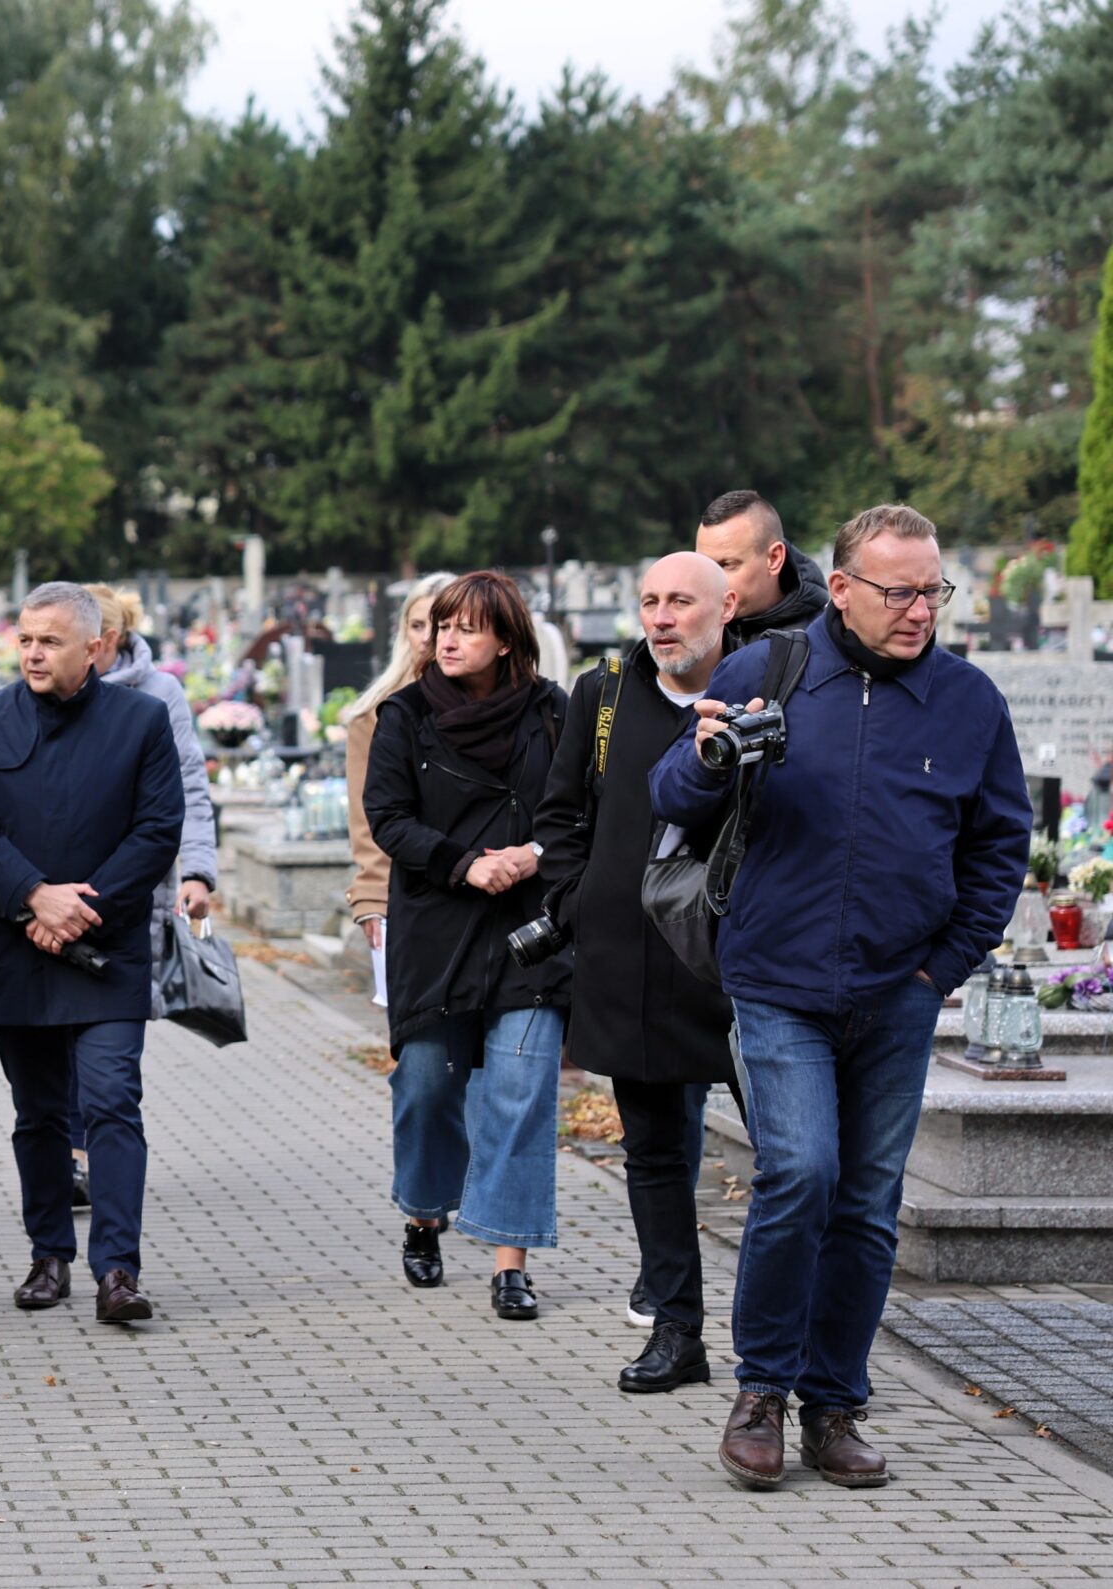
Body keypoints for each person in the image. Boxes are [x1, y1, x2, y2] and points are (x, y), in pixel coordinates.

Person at [653, 504, 1027, 1490]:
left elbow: (1000, 846)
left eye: (932, 591)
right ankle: (760, 1390)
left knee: (866, 1202)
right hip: (777, 979)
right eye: (899, 591)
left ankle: (832, 1404)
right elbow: (672, 798)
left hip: (898, 990)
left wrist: (941, 966)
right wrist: (701, 754)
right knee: (802, 1172)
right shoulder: (765, 668)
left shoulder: (968, 700)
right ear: (846, 588)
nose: (920, 610)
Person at [0, 582, 184, 1324]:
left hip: (108, 946)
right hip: (17, 946)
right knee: (39, 1112)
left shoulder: (140, 720)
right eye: (24, 639)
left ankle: (118, 1270)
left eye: (50, 640)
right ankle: (49, 1255)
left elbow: (157, 828)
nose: (33, 653)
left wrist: (81, 909)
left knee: (111, 1099)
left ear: (95, 647)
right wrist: (33, 897)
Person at [533, 553, 742, 1392]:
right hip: (633, 958)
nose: (662, 617)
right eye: (650, 600)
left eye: (681, 601)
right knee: (653, 1153)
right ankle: (677, 1329)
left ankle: (797, 1340)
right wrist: (578, 901)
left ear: (726, 608)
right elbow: (560, 812)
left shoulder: (769, 691)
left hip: (743, 964)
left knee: (793, 1160)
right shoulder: (606, 694)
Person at [363, 570, 570, 1320]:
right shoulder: (405, 713)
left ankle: (510, 1261)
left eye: (466, 628)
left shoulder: (553, 711)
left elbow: (582, 808)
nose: (445, 639)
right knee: (426, 1085)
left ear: (507, 640)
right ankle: (424, 1214)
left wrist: (533, 854)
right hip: (437, 929)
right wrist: (465, 863)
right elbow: (387, 815)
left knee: (521, 1089)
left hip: (530, 931)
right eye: (441, 625)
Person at [67, 583, 218, 1207]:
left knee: (109, 1040)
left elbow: (190, 783)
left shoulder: (159, 694)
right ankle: (72, 1151)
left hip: (133, 892)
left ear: (111, 640)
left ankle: (89, 1155)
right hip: (55, 894)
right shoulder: (53, 690)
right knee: (58, 1031)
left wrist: (198, 871)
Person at [342, 573, 455, 1007]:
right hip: (403, 895)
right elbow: (366, 817)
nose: (427, 638)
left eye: (439, 624)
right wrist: (371, 896)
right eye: (417, 625)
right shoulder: (374, 714)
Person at [698, 489, 827, 648]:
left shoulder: (824, 644)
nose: (710, 581)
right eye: (704, 565)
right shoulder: (687, 634)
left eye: (728, 564)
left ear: (774, 559)